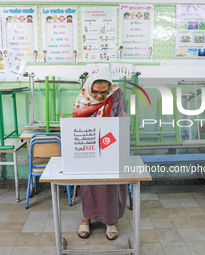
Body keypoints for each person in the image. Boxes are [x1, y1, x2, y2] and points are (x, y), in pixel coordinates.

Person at [72, 66, 127, 241]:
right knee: (88, 183)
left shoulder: (117, 95)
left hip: (111, 143)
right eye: (95, 92)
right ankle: (86, 217)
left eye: (104, 92)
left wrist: (107, 142)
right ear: (89, 88)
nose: (99, 97)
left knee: (110, 183)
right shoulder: (82, 100)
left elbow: (119, 120)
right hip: (87, 146)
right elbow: (76, 124)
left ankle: (110, 220)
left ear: (110, 88)